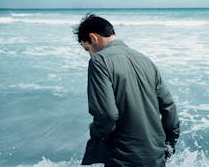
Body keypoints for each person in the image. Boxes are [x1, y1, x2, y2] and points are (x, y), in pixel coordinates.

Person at [74, 14, 180, 167]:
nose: (90, 54)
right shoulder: (145, 60)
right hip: (155, 155)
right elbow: (168, 106)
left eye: (87, 49)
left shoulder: (99, 61)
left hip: (123, 157)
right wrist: (169, 144)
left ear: (93, 37)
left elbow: (107, 115)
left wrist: (95, 133)